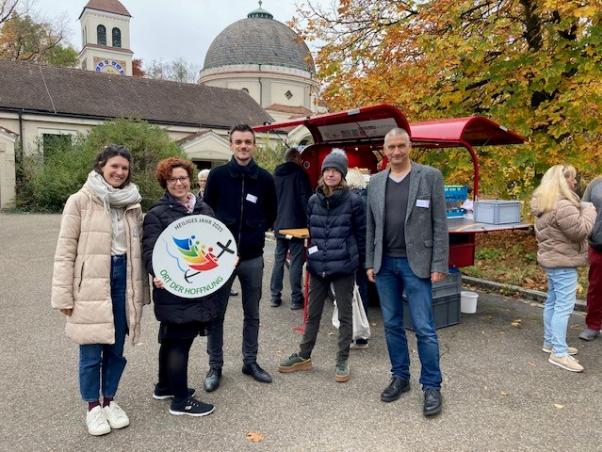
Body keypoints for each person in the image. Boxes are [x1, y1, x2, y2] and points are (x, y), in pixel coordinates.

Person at [51, 144, 149, 436]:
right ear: (101, 166)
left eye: (124, 168)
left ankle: (110, 400)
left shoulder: (132, 204)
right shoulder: (80, 201)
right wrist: (63, 295)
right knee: (91, 350)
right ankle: (93, 406)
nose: (119, 172)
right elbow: (65, 251)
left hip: (124, 279)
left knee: (116, 349)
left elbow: (140, 250)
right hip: (91, 281)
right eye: (114, 166)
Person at [365, 128, 448, 417]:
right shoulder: (375, 182)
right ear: (384, 150)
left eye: (401, 146)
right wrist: (369, 262)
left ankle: (432, 386)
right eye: (391, 147)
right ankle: (400, 377)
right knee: (391, 325)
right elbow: (371, 226)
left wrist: (439, 264)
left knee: (424, 328)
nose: (396, 152)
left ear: (410, 146)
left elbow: (440, 224)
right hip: (385, 264)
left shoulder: (429, 176)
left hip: (418, 264)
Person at [278, 149, 365, 382]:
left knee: (345, 315)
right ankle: (304, 356)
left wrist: (360, 263)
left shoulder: (354, 201)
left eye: (336, 170)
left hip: (344, 266)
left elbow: (362, 234)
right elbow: (312, 232)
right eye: (327, 170)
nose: (331, 174)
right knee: (312, 314)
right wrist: (311, 258)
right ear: (322, 173)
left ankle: (342, 360)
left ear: (343, 174)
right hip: (318, 266)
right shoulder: (313, 200)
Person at [143, 157, 221, 416]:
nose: (179, 183)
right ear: (165, 183)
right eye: (172, 179)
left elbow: (214, 242)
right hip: (174, 290)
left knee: (171, 339)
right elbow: (151, 253)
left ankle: (165, 386)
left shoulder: (202, 209)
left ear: (190, 179)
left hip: (197, 287)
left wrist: (226, 261)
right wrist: (157, 273)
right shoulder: (157, 214)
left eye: (183, 178)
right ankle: (180, 401)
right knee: (179, 342)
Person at [202, 124, 277, 391]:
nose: (243, 146)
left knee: (252, 313)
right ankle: (215, 365)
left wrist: (256, 230)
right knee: (216, 314)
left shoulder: (265, 179)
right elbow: (206, 212)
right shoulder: (218, 176)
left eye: (247, 142)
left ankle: (250, 361)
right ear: (230, 144)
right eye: (238, 142)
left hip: (252, 258)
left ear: (254, 145)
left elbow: (271, 213)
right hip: (221, 259)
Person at [531, 164, 596, 372]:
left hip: (551, 260)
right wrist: (589, 210)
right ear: (562, 181)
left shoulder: (544, 203)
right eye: (571, 178)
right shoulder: (563, 205)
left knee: (553, 301)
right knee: (564, 306)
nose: (574, 182)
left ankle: (550, 342)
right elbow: (580, 231)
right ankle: (559, 353)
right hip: (563, 262)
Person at [270, 147, 312, 310]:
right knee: (296, 260)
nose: (302, 160)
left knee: (279, 259)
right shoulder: (300, 175)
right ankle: (296, 298)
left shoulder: (275, 176)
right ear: (295, 158)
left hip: (279, 224)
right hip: (296, 225)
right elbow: (306, 200)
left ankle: (275, 296)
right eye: (300, 158)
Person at [346, 167, 371, 349]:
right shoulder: (367, 198)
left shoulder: (353, 201)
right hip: (365, 253)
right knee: (361, 291)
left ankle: (359, 336)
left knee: (355, 293)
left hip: (355, 253)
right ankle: (360, 334)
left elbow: (356, 231)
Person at [580, 176, 602, 341]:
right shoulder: (595, 184)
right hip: (598, 245)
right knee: (596, 287)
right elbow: (583, 209)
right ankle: (593, 325)